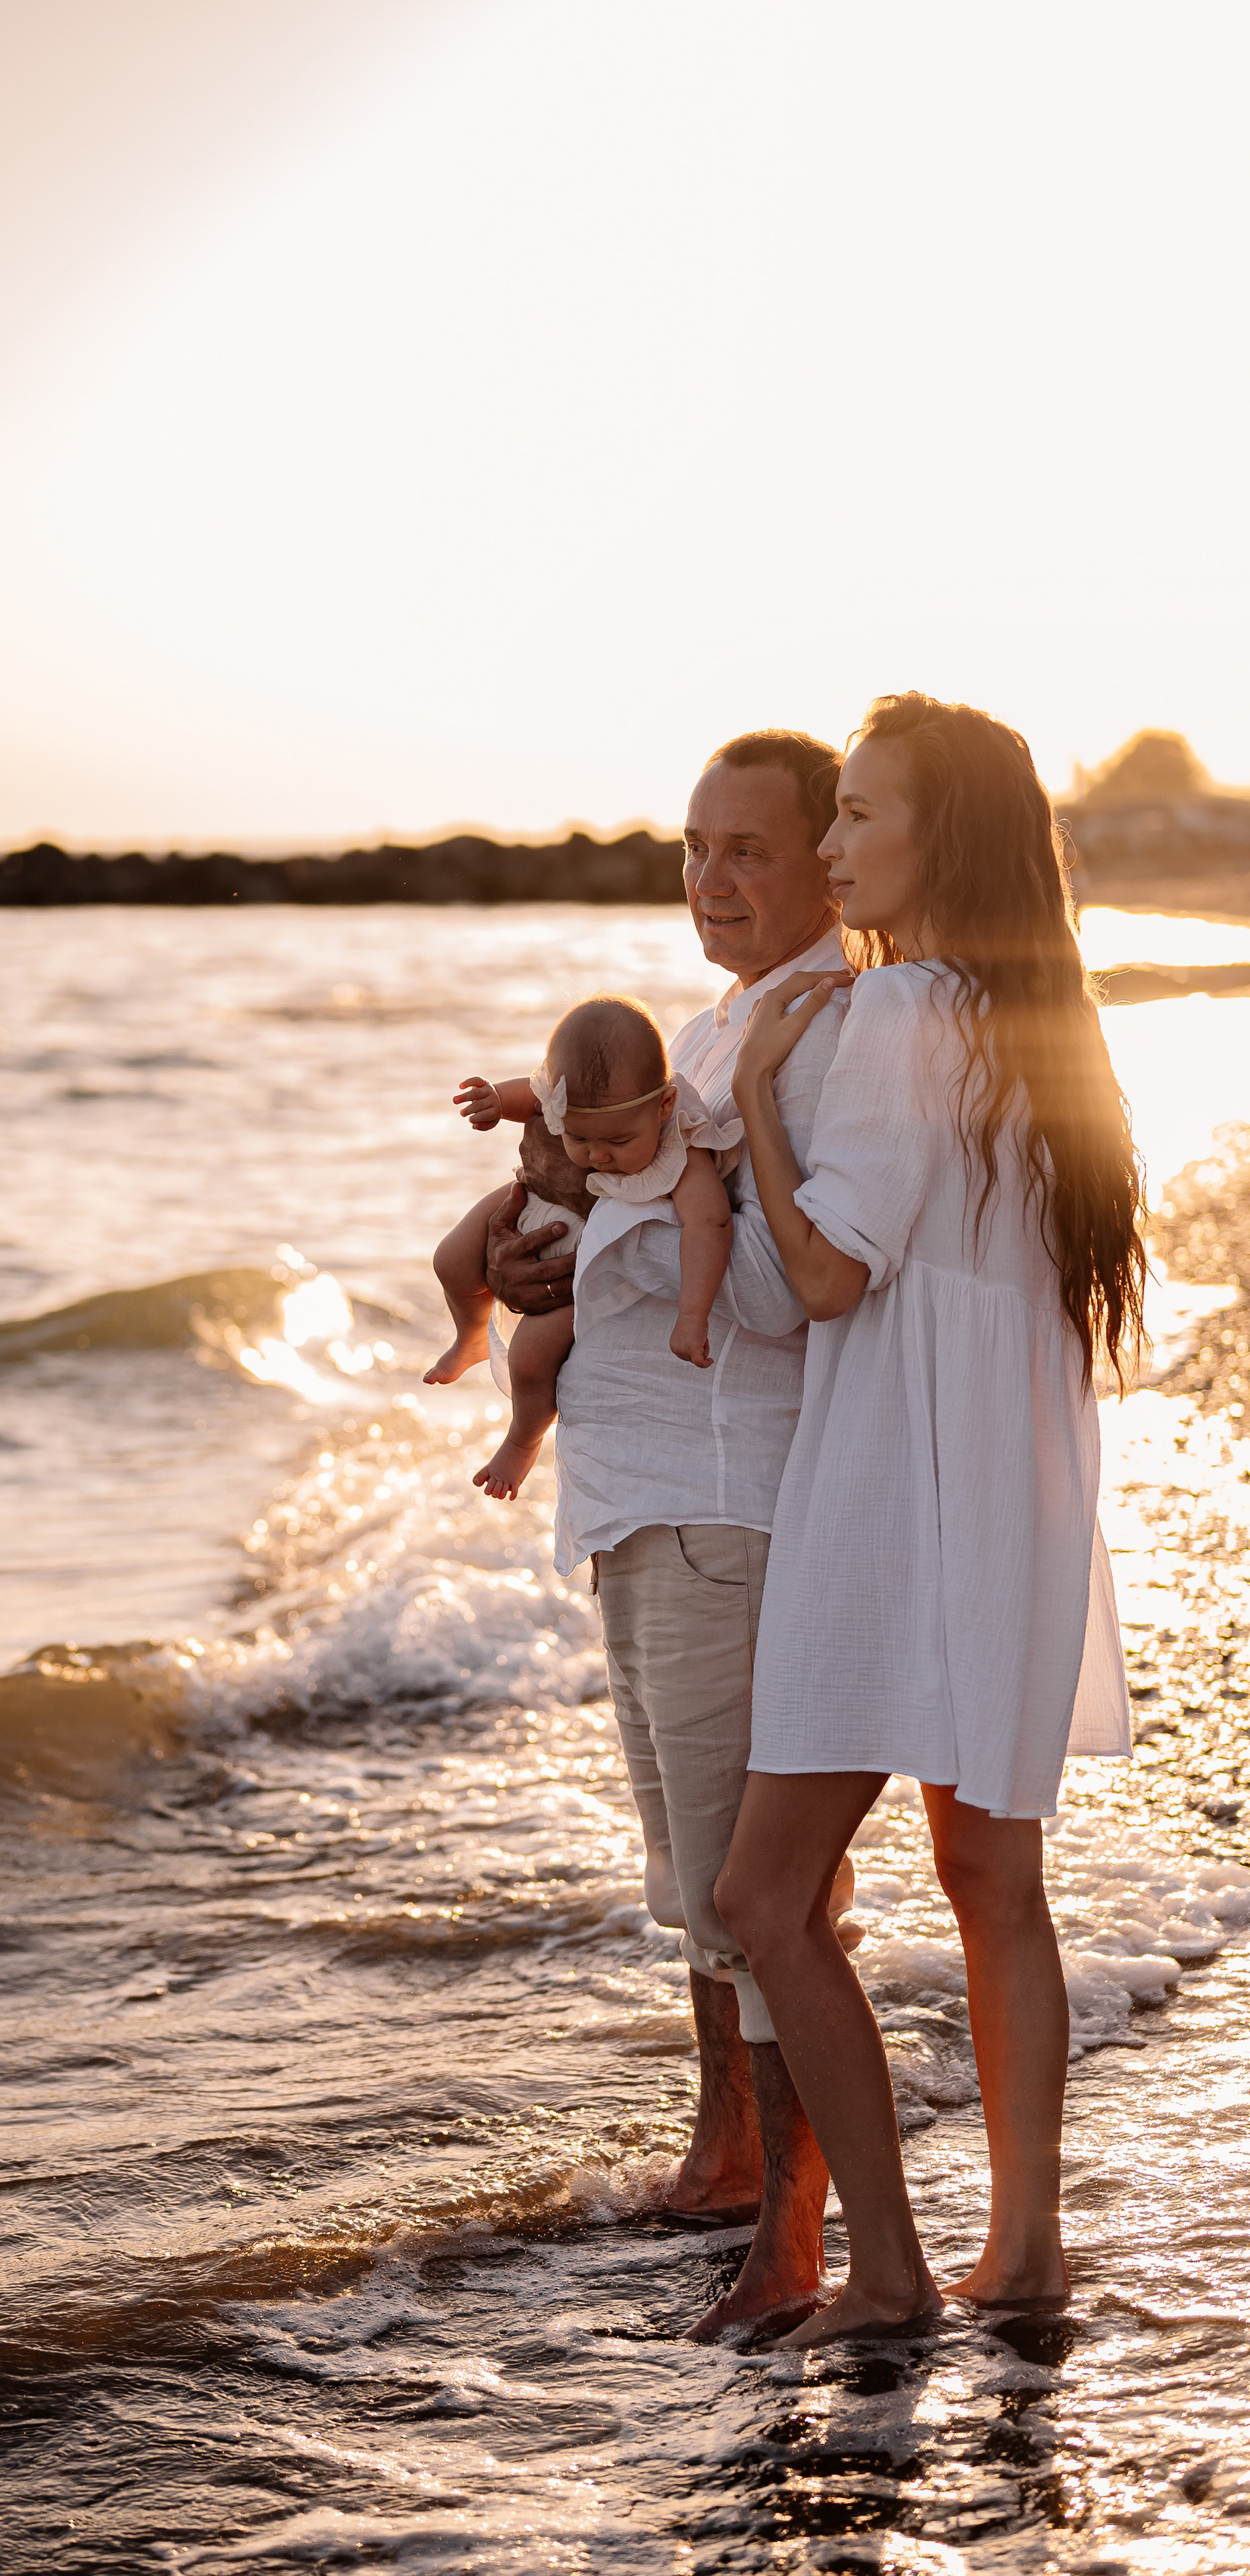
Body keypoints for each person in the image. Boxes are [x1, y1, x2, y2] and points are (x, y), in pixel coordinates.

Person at [715, 692, 1142, 2347]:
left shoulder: (896, 1006)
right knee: (989, 1876)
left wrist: (756, 1085)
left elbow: (825, 1275)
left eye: (857, 817)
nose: (826, 847)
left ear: (937, 837)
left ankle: (886, 2271)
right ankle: (1019, 2248)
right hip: (1015, 1483)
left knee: (763, 1894)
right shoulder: (1045, 1019)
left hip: (897, 1486)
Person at [484, 731, 858, 2339]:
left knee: (758, 1889)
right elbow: (633, 1222)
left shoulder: (824, 1034)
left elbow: (796, 1289)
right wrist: (546, 1261)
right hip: (636, 1509)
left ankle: (793, 2228)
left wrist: (631, 1244)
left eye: (745, 850)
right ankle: (722, 2150)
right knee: (691, 1877)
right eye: (691, 849)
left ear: (823, 859)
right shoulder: (716, 1031)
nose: (708, 879)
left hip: (728, 1506)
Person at [424, 994, 740, 1501]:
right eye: (578, 1137)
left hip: (584, 1269)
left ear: (662, 1106)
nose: (597, 1155)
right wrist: (496, 1104)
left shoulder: (680, 1142)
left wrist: (692, 1316)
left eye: (617, 1140)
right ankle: (470, 1335)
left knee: (529, 1356)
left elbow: (711, 1225)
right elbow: (530, 1097)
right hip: (536, 1195)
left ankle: (523, 1440)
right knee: (450, 1260)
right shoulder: (562, 1100)